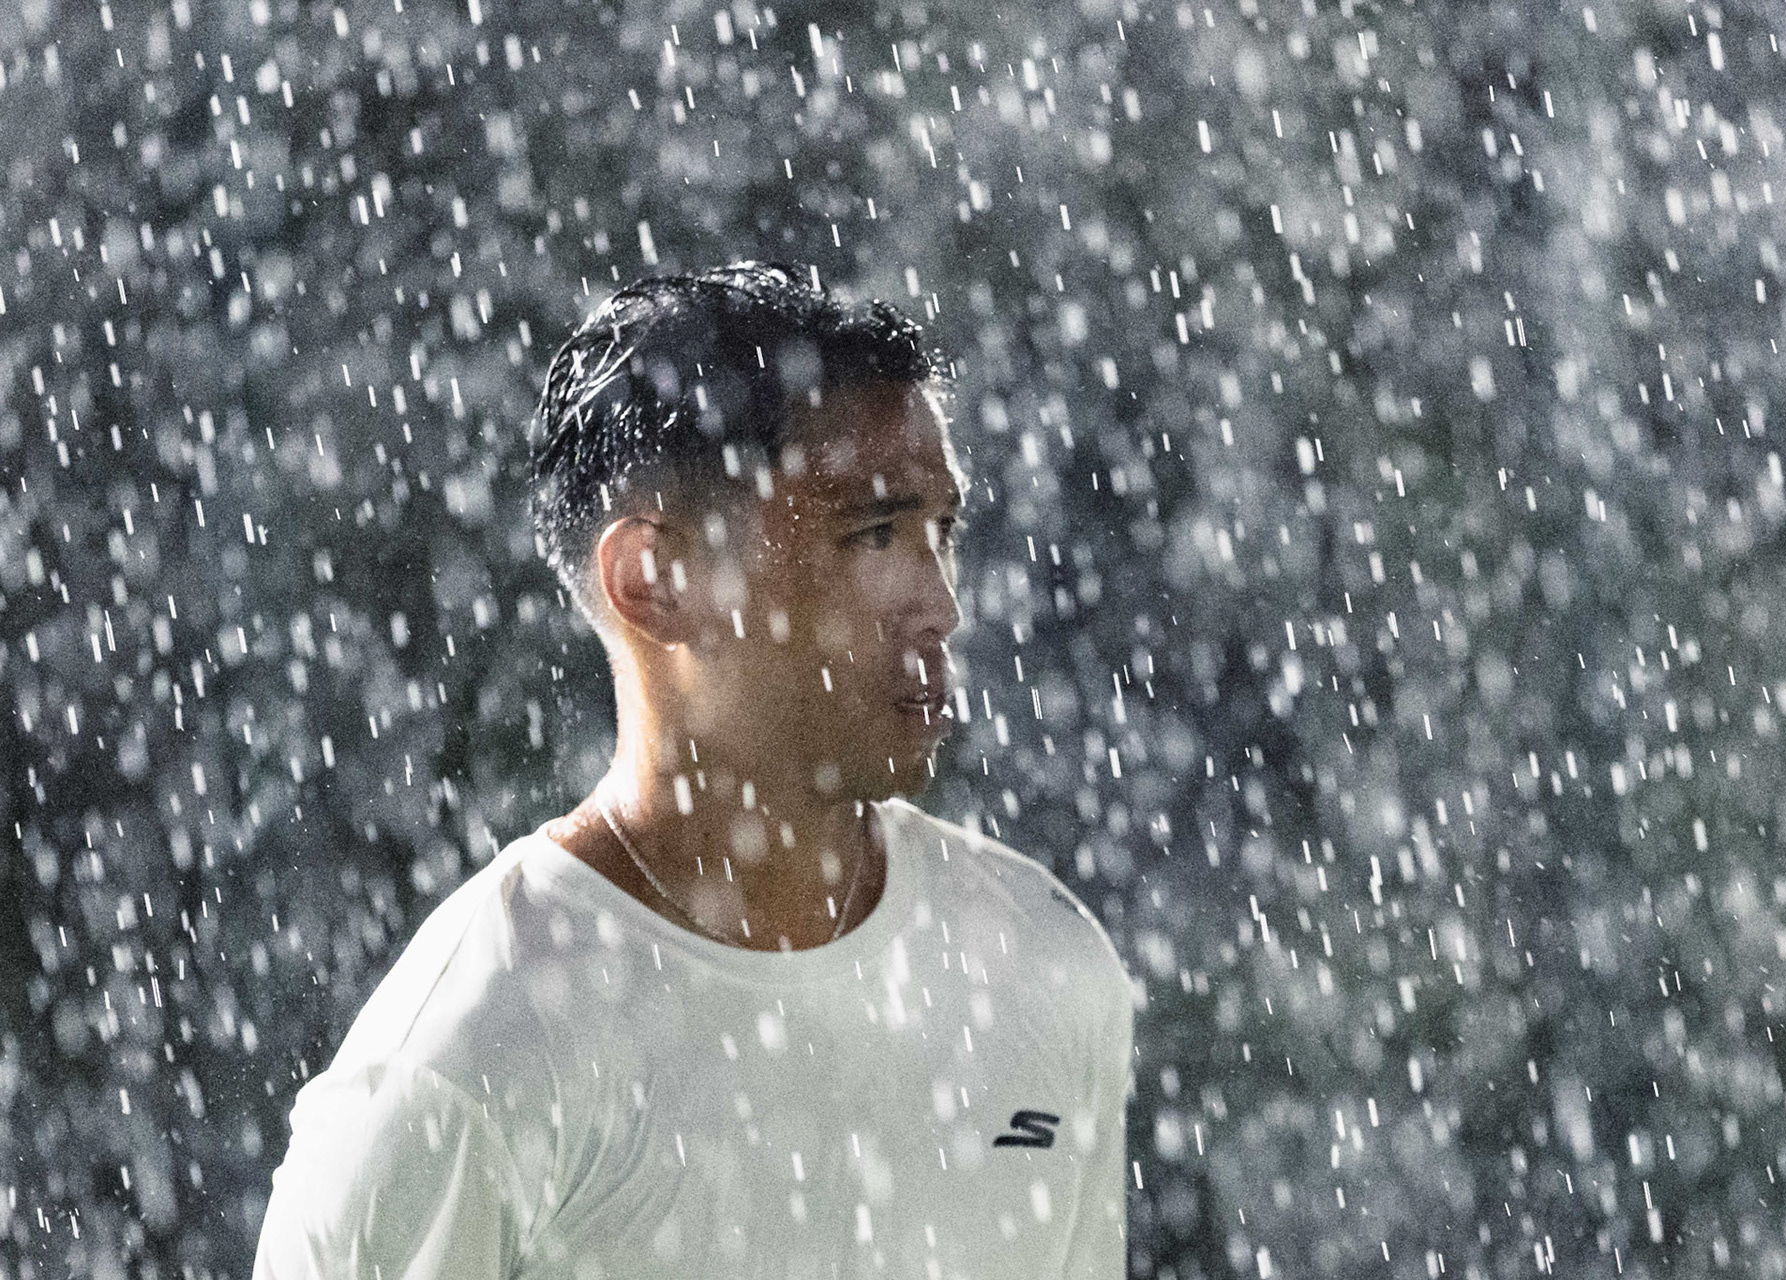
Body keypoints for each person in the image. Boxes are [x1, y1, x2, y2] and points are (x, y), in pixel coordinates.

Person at [252, 262, 1135, 1278]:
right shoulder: (466, 1059)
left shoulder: (1044, 964)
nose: (940, 602)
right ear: (655, 578)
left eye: (942, 533)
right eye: (876, 532)